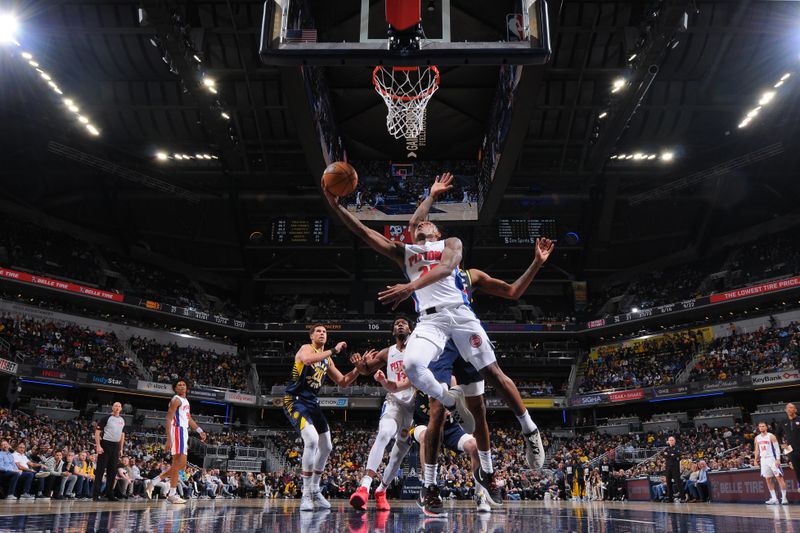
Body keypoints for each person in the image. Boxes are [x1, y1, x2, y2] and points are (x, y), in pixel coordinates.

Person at [324, 173, 550, 487]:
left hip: (460, 316)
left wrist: (409, 287)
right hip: (431, 323)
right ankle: (446, 405)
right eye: (415, 227)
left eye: (424, 224)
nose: (418, 225)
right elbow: (363, 231)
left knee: (493, 376)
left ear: (436, 230)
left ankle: (530, 430)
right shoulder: (406, 252)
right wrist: (336, 205)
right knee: (415, 368)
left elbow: (452, 270)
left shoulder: (451, 245)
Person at [283, 324, 371, 511]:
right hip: (295, 400)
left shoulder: (327, 359)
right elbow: (306, 360)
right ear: (312, 336)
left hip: (312, 402)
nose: (322, 333)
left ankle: (315, 489)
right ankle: (306, 493)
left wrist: (357, 369)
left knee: (327, 446)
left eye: (324, 332)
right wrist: (334, 350)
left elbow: (343, 382)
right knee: (312, 439)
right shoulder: (306, 349)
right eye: (318, 331)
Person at [348, 317, 415, 512]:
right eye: (396, 323)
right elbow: (365, 370)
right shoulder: (388, 352)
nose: (400, 324)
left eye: (403, 322)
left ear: (410, 328)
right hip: (394, 401)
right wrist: (360, 364)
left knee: (398, 454)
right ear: (393, 332)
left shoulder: (417, 347)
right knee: (384, 433)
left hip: (413, 405)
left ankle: (382, 490)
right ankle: (364, 486)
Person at [145, 379, 207, 504]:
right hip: (177, 431)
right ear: (175, 388)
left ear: (187, 388)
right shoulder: (176, 400)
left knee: (180, 466)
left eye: (184, 384)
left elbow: (188, 419)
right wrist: (169, 438)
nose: (182, 386)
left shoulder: (185, 401)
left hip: (183, 431)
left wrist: (199, 430)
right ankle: (168, 491)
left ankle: (157, 484)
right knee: (180, 464)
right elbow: (168, 418)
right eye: (179, 385)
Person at [93, 401, 126, 501]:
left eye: (119, 406)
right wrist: (98, 446)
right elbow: (97, 432)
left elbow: (122, 435)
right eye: (116, 406)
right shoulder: (106, 418)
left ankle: (109, 494)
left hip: (115, 446)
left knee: (112, 471)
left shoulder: (122, 420)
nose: (117, 407)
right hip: (105, 444)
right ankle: (96, 495)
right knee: (100, 470)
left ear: (121, 409)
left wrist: (121, 448)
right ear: (112, 407)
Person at [754, 421, 788, 505]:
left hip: (772, 459)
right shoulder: (757, 438)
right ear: (758, 428)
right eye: (760, 426)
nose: (761, 428)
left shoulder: (771, 436)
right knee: (768, 479)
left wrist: (778, 459)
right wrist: (755, 459)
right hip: (763, 460)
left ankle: (784, 498)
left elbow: (777, 448)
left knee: (779, 478)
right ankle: (774, 498)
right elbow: (757, 450)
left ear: (766, 427)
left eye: (763, 426)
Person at [778, 403, 800, 482]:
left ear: (795, 410)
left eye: (791, 408)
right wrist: (782, 443)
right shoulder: (783, 421)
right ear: (786, 410)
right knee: (797, 469)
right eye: (788, 408)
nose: (789, 409)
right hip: (791, 450)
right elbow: (777, 434)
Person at [663, 436, 684, 502]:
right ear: (668, 441)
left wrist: (670, 455)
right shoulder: (666, 449)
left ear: (674, 441)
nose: (671, 441)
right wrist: (671, 455)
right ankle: (670, 498)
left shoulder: (677, 448)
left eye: (672, 440)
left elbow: (678, 456)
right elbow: (665, 456)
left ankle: (683, 498)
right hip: (668, 468)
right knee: (668, 483)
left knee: (678, 483)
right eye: (670, 440)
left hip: (675, 467)